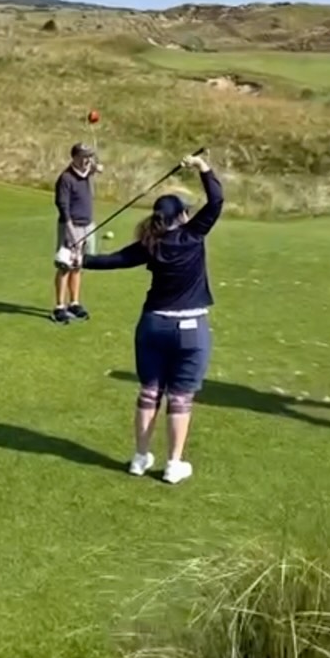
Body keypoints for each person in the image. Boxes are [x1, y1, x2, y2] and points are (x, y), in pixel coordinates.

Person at [83, 152, 223, 484]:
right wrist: (203, 167)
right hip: (190, 329)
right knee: (180, 397)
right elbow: (217, 200)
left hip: (152, 326)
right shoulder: (193, 234)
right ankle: (173, 464)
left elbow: (114, 260)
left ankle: (139, 457)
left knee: (149, 392)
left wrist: (77, 260)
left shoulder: (150, 243)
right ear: (184, 216)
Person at [52, 143, 103, 324]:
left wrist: (97, 168)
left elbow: (95, 167)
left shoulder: (87, 171)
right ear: (74, 157)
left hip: (88, 225)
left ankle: (74, 302)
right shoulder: (65, 179)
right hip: (70, 225)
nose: (87, 160)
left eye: (89, 156)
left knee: (78, 265)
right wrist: (73, 236)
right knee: (65, 265)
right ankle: (59, 306)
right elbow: (63, 209)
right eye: (83, 156)